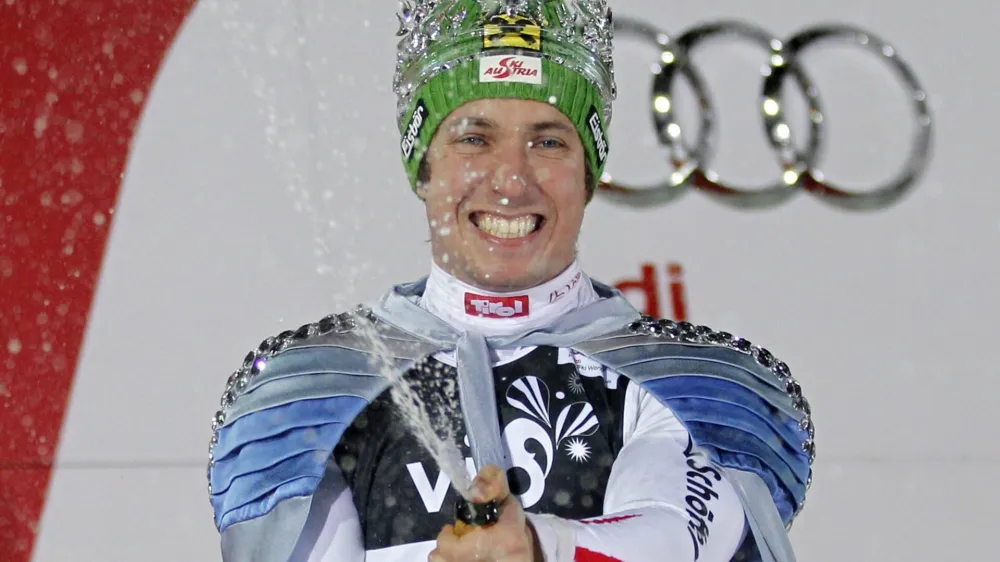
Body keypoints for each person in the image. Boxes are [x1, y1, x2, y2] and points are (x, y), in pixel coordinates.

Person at [206, 1, 815, 561]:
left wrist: (543, 547)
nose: (510, 180)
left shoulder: (686, 384)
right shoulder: (314, 396)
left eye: (547, 142)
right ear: (424, 167)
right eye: (475, 138)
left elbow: (672, 534)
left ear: (587, 174)